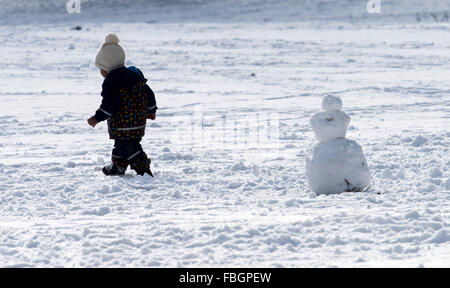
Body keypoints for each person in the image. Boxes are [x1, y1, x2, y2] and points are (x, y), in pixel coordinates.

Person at [87, 33, 157, 177]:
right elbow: (148, 93)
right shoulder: (135, 75)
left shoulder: (111, 82)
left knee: (128, 146)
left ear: (106, 68)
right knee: (121, 144)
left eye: (100, 68)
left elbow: (109, 104)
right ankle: (117, 166)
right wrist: (151, 110)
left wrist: (97, 117)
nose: (100, 72)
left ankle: (142, 167)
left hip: (122, 123)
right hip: (138, 120)